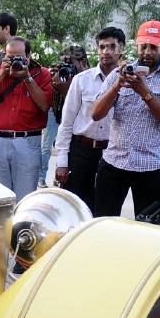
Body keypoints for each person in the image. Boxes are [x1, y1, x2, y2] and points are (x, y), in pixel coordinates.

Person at [90, 20, 160, 217]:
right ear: (137, 45)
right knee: (103, 221)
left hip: (150, 166)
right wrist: (117, 86)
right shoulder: (121, 72)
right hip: (114, 162)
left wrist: (146, 94)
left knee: (147, 226)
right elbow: (96, 113)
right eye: (143, 46)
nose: (147, 52)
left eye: (154, 47)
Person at [54, 27, 125, 214]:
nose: (106, 52)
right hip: (80, 151)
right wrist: (62, 161)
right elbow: (67, 121)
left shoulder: (130, 83)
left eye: (111, 47)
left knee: (106, 209)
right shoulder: (81, 80)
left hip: (112, 153)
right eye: (102, 47)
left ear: (122, 49)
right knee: (73, 208)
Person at [0, 36, 53, 201]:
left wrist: (27, 78)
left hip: (27, 141)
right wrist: (2, 74)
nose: (14, 60)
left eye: (19, 56)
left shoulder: (42, 74)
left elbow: (45, 105)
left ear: (28, 56)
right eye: (10, 56)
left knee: (24, 198)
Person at [41, 45, 89, 188]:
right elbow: (58, 114)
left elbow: (82, 114)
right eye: (63, 64)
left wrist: (66, 90)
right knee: (47, 146)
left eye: (70, 65)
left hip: (83, 144)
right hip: (64, 130)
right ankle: (42, 177)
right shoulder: (59, 80)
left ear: (84, 63)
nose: (66, 68)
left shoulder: (89, 80)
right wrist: (57, 86)